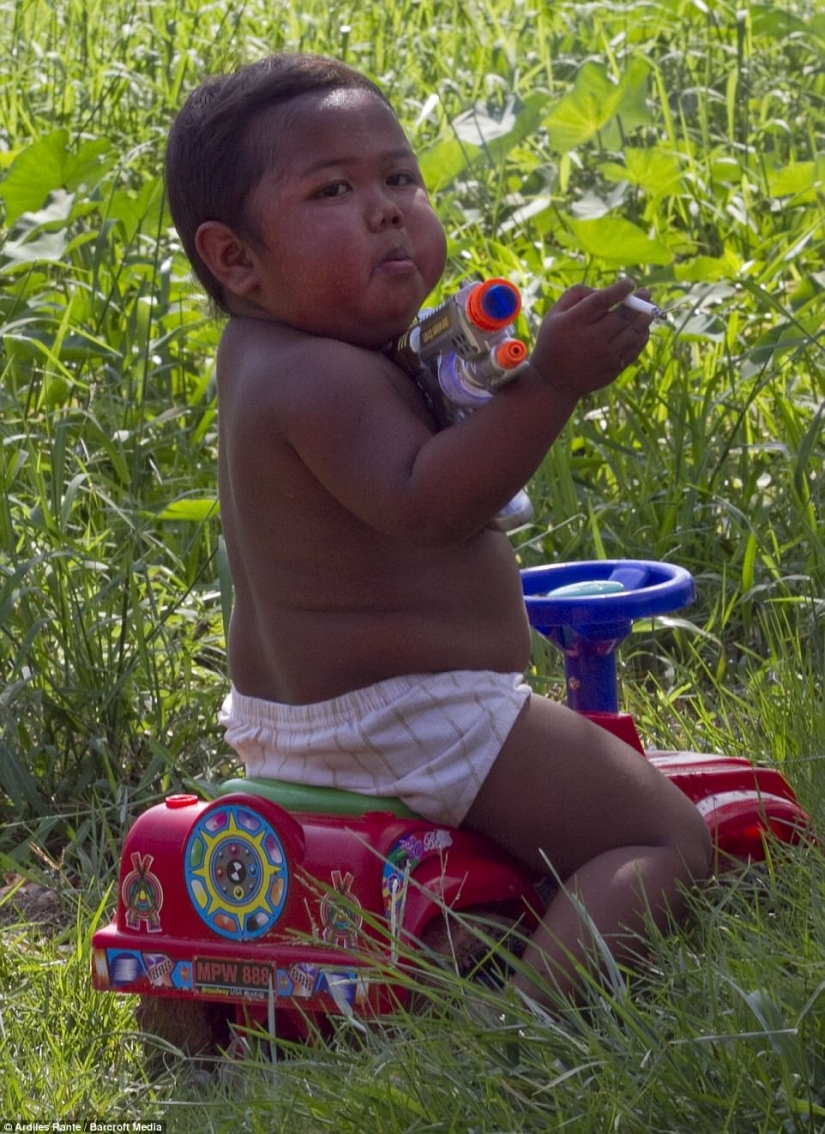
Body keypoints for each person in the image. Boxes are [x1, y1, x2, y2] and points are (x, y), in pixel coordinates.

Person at [165, 53, 712, 1006]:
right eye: (333, 189)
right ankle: (528, 1035)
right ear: (235, 258)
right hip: (416, 718)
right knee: (660, 836)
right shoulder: (320, 376)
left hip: (294, 727)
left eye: (400, 178)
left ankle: (448, 946)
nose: (385, 208)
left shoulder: (273, 353)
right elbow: (429, 506)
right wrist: (549, 384)